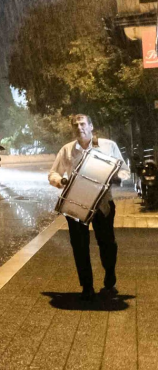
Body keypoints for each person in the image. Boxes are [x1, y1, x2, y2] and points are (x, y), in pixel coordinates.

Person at [49, 114, 126, 300]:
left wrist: (116, 177)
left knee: (107, 244)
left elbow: (124, 170)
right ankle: (87, 287)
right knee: (79, 246)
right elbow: (53, 174)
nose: (79, 127)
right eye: (75, 125)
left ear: (91, 126)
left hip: (102, 204)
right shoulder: (67, 150)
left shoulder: (108, 146)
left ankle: (110, 281)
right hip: (76, 204)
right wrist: (62, 181)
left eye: (82, 124)